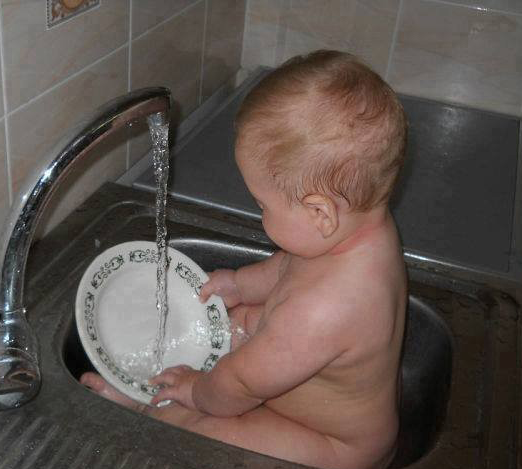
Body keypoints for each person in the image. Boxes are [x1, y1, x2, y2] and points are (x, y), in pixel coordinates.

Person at [81, 50, 408, 469]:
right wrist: (240, 284)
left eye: (262, 205)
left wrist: (196, 390)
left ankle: (152, 409)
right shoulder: (362, 232)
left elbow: (239, 384)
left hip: (333, 447)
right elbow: (289, 265)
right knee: (234, 322)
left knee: (213, 436)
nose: (259, 214)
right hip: (312, 397)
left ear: (320, 214)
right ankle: (164, 388)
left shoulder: (325, 308)